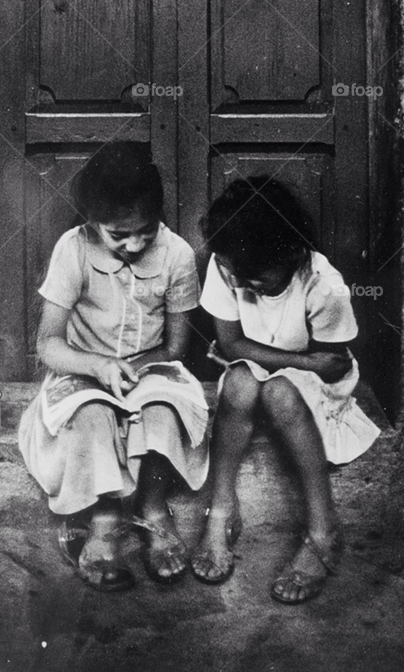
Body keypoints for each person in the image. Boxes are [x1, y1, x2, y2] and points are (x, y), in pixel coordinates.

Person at [19, 142, 209, 592]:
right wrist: (97, 365)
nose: (135, 243)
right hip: (82, 372)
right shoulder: (74, 249)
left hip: (150, 369)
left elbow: (178, 346)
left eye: (144, 230)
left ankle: (155, 508)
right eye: (118, 234)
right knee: (93, 416)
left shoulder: (177, 254)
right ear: (91, 221)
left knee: (162, 410)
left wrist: (138, 369)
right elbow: (48, 343)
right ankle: (104, 522)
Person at [191, 176, 380, 602]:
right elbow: (231, 344)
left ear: (293, 253)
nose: (246, 285)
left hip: (315, 386)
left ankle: (322, 527)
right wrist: (300, 360)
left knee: (277, 391)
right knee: (238, 383)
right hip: (266, 364)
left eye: (258, 277)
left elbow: (331, 366)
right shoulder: (229, 265)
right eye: (237, 275)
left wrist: (302, 366)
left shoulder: (323, 285)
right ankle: (220, 508)